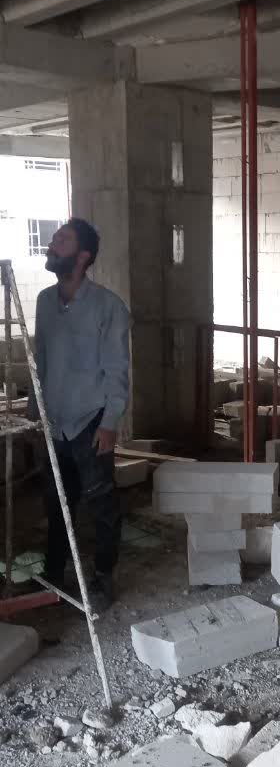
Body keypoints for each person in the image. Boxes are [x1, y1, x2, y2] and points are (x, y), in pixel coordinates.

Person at [31, 218, 130, 612]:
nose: (53, 243)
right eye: (55, 238)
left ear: (83, 256)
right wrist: (34, 414)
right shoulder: (44, 302)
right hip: (53, 421)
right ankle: (54, 574)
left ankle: (103, 576)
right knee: (57, 501)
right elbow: (40, 361)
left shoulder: (109, 306)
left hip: (90, 421)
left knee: (101, 503)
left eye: (63, 239)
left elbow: (117, 369)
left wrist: (110, 422)